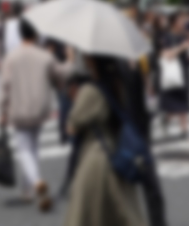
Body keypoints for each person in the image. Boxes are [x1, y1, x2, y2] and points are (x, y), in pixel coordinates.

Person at [62, 57, 148, 226]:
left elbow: (71, 128)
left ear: (94, 62)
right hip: (115, 153)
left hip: (94, 158)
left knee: (86, 215)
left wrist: (74, 100)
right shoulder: (118, 84)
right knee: (121, 214)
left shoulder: (89, 90)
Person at [0, 20, 62, 211]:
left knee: (24, 149)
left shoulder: (11, 57)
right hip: (41, 107)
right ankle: (27, 190)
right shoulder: (45, 56)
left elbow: (5, 87)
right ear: (36, 35)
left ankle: (35, 182)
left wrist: (3, 110)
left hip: (19, 107)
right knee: (33, 146)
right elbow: (58, 78)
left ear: (20, 34)